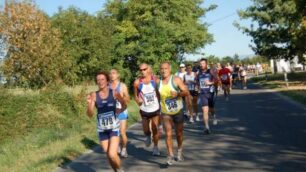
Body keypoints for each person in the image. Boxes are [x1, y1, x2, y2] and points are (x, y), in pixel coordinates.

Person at [87, 71, 126, 172]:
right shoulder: (94, 95)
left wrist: (120, 110)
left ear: (107, 81)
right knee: (108, 155)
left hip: (113, 128)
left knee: (112, 154)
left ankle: (120, 169)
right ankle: (116, 170)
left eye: (102, 79)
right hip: (102, 129)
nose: (100, 82)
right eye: (98, 80)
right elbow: (90, 115)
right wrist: (89, 104)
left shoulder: (114, 92)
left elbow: (124, 104)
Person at [157, 62, 189, 165]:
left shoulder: (176, 80)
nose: (164, 70)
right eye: (162, 68)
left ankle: (179, 151)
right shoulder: (158, 82)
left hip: (178, 111)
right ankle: (170, 155)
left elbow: (186, 92)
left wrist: (178, 94)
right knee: (168, 134)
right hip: (166, 112)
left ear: (170, 69)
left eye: (166, 68)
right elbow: (158, 96)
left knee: (179, 134)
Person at [133, 63, 161, 156]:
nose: (142, 71)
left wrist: (161, 104)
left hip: (155, 109)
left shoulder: (155, 80)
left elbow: (159, 93)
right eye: (141, 70)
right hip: (144, 110)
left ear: (149, 69)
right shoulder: (137, 82)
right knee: (146, 130)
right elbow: (135, 97)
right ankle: (148, 136)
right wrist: (138, 101)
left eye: (144, 69)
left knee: (155, 128)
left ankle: (156, 147)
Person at [109, 68, 130, 158]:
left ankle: (124, 149)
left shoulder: (122, 86)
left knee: (122, 132)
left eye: (114, 73)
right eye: (110, 73)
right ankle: (117, 146)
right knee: (114, 132)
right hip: (112, 112)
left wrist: (121, 98)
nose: (112, 75)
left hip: (122, 110)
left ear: (118, 75)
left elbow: (128, 99)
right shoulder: (107, 86)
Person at [197, 58, 218, 134]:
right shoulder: (198, 73)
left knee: (211, 109)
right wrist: (198, 87)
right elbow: (197, 82)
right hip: (203, 94)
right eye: (200, 64)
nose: (201, 65)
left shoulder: (211, 71)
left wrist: (210, 83)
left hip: (210, 93)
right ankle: (207, 127)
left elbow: (217, 80)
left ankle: (214, 116)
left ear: (206, 64)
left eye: (203, 63)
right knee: (204, 110)